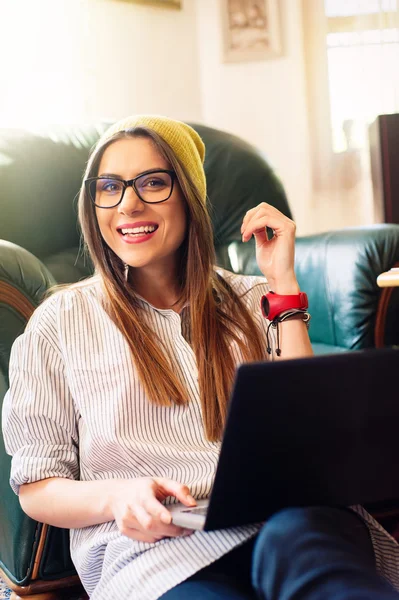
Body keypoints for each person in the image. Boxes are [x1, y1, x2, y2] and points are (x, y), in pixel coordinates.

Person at [2, 115, 399, 600]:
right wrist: (117, 496)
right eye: (109, 186)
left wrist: (284, 286)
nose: (128, 203)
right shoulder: (58, 323)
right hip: (154, 550)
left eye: (152, 183)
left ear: (189, 195)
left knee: (325, 573)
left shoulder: (255, 298)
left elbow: (308, 443)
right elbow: (38, 486)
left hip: (287, 522)